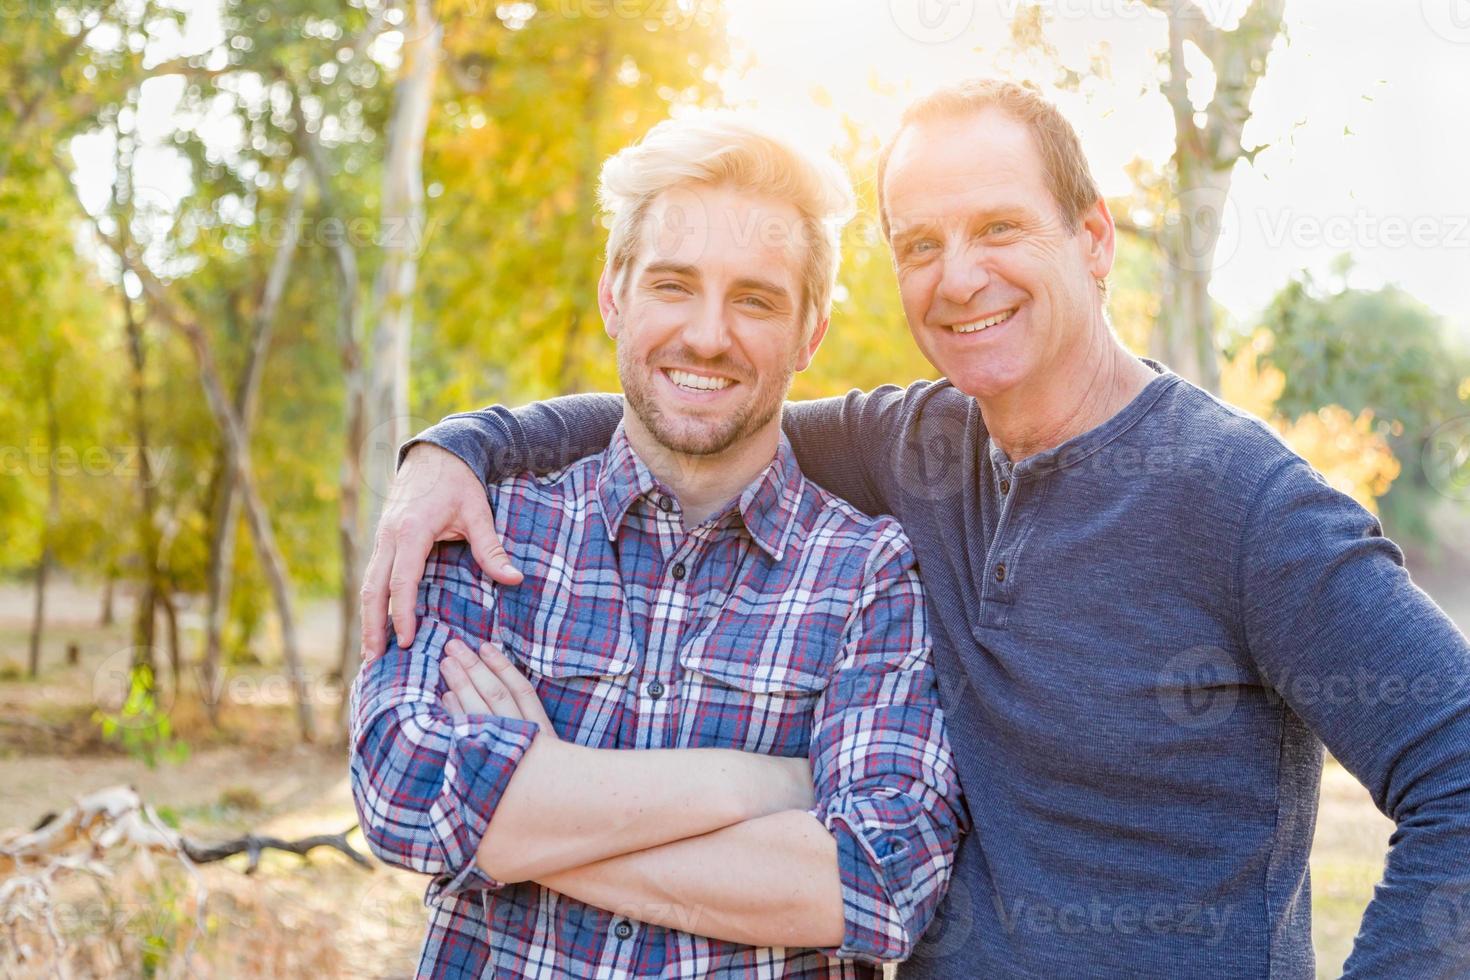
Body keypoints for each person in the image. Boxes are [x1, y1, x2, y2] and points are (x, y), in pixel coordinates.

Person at [364, 79, 1470, 978]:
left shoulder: (1247, 506)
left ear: (1094, 237)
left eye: (999, 227)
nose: (959, 276)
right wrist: (459, 447)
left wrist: (514, 826)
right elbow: (697, 399)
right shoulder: (914, 446)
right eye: (920, 242)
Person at [349, 112, 965, 978]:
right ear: (614, 295)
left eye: (755, 298)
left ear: (810, 334)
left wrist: (537, 804)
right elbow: (401, 794)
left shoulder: (866, 573)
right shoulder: (488, 527)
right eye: (674, 285)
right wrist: (753, 787)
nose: (708, 335)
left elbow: (875, 882)